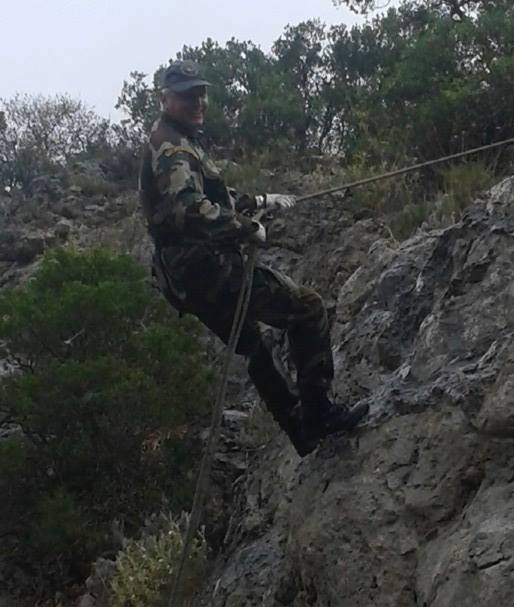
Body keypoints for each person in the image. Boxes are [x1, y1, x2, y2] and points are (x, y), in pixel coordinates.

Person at [139, 59, 368, 456]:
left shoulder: (177, 139)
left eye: (201, 94)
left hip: (183, 278)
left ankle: (300, 429)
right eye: (188, 96)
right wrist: (245, 227)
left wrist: (260, 201)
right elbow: (188, 208)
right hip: (207, 269)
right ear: (165, 99)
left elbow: (209, 197)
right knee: (308, 309)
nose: (198, 102)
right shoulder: (172, 148)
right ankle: (318, 415)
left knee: (252, 345)